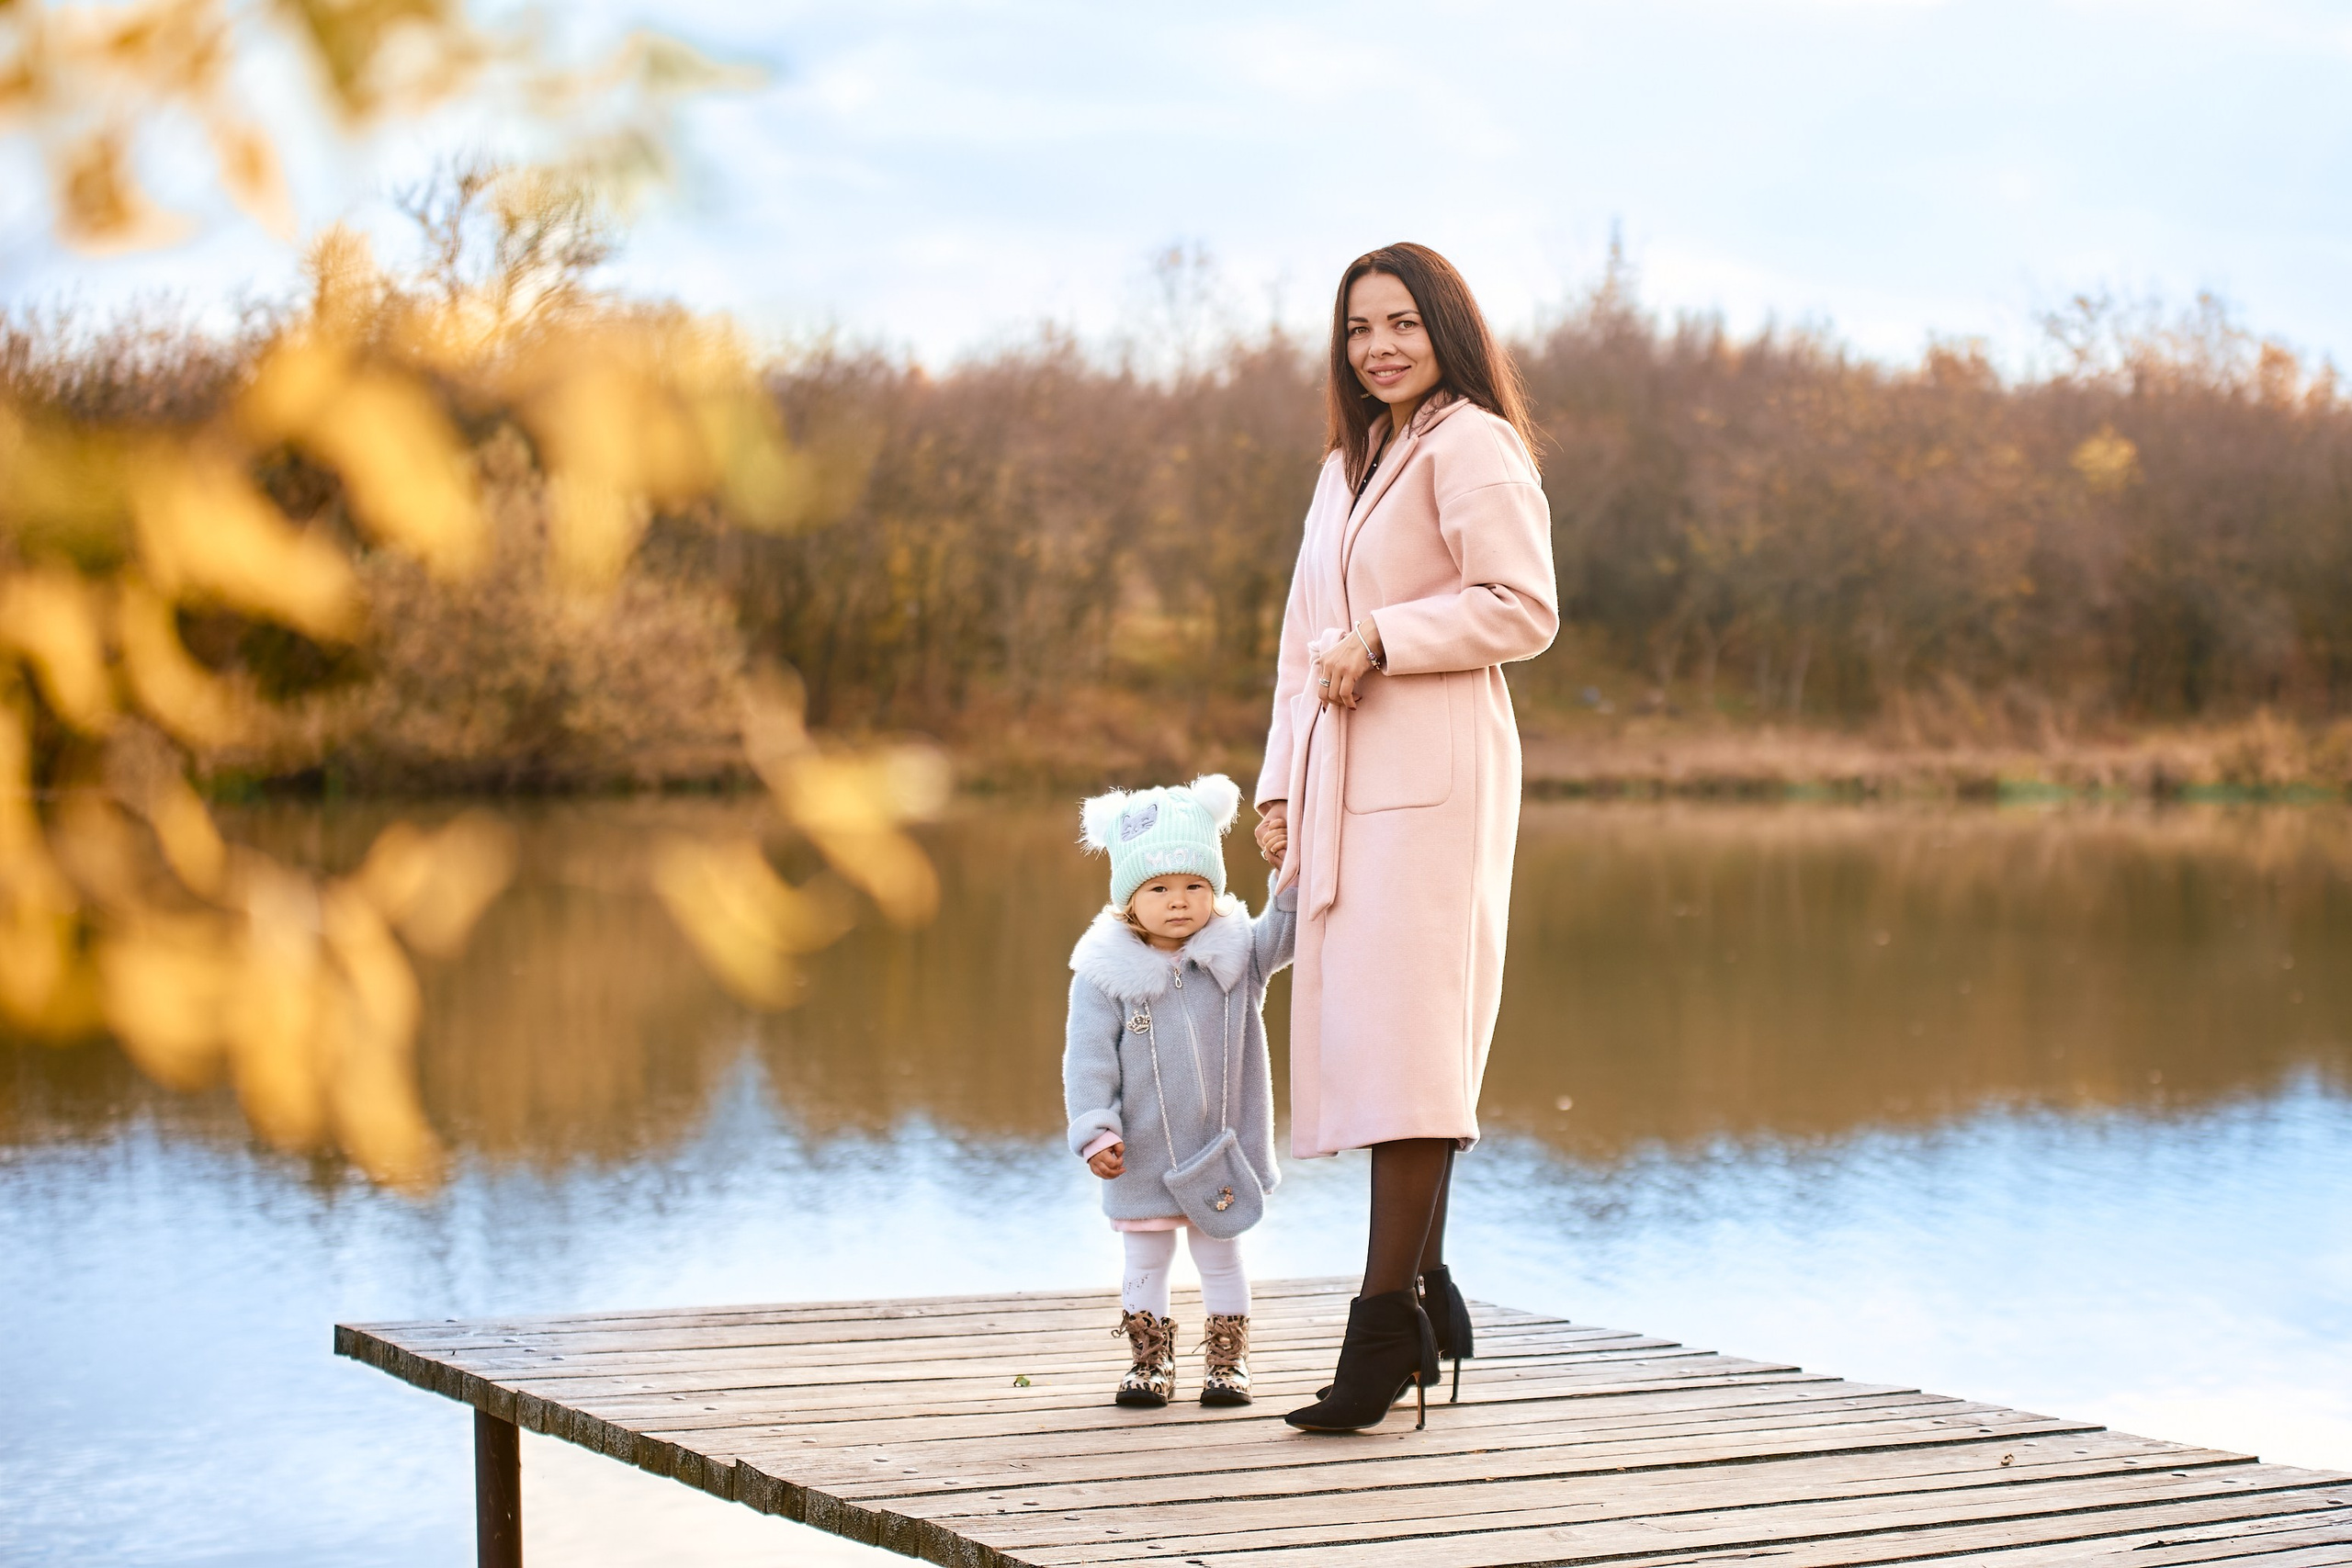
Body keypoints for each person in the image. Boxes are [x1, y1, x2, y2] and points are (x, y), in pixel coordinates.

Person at [1253, 243, 1557, 1431]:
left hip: (1436, 780)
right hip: (1343, 778)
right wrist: (1280, 786)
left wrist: (1386, 634)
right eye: (1358, 328)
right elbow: (1302, 643)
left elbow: (1520, 606)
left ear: (1445, 330)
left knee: (1412, 1045)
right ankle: (1426, 1294)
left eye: (1401, 324)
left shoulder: (1474, 442)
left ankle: (1383, 1326)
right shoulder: (1348, 463)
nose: (1377, 347)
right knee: (1382, 1036)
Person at [1063, 774, 1297, 1408]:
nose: (1179, 902)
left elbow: (1287, 928)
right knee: (1145, 1259)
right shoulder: (1104, 976)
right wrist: (1096, 1131)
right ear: (1128, 899)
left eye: (1195, 885)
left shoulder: (1236, 957)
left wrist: (1288, 868)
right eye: (1159, 888)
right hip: (1140, 1153)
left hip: (1221, 1148)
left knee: (1222, 1257)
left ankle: (1227, 1362)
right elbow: (1088, 1061)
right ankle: (1149, 1362)